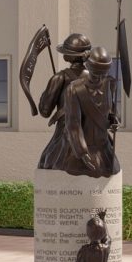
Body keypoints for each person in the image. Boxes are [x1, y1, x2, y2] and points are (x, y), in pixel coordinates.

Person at [60, 47, 121, 178]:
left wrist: (114, 120)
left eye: (103, 74)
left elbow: (110, 110)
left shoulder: (109, 84)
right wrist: (82, 152)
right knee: (89, 169)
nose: (99, 78)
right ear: (88, 67)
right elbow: (73, 124)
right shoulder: (74, 89)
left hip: (104, 147)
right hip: (85, 148)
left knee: (111, 169)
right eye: (95, 74)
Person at [37, 33, 92, 171]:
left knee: (46, 161)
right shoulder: (96, 78)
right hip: (92, 131)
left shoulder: (59, 78)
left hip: (66, 133)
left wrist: (46, 94)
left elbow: (44, 111)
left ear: (69, 56)